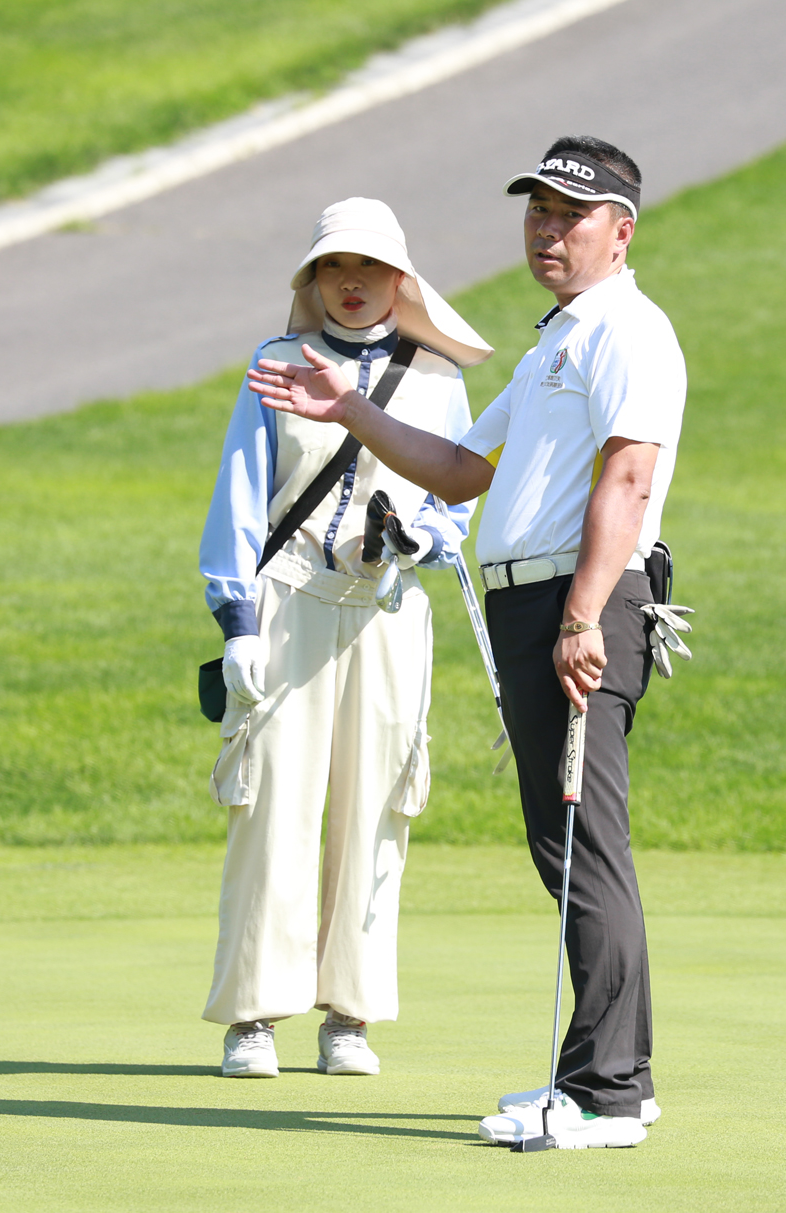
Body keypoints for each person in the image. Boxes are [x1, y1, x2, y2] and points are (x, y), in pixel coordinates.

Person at [248, 137, 687, 1148]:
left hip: (580, 602)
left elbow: (627, 478)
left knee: (583, 846)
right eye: (537, 211)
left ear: (620, 232)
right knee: (566, 847)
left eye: (570, 215)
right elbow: (456, 470)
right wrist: (352, 409)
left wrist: (581, 616)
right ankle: (611, 1077)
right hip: (533, 605)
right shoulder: (551, 345)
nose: (547, 230)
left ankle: (606, 1094)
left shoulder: (628, 330)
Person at [199, 197, 492, 1079]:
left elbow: (455, 503)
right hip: (287, 600)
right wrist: (237, 623)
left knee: (377, 807)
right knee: (272, 804)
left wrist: (415, 541)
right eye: (334, 266)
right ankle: (254, 1017)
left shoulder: (438, 379)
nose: (352, 283)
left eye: (369, 268)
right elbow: (240, 497)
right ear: (313, 278)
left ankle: (350, 1017)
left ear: (401, 280)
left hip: (388, 609)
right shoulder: (276, 364)